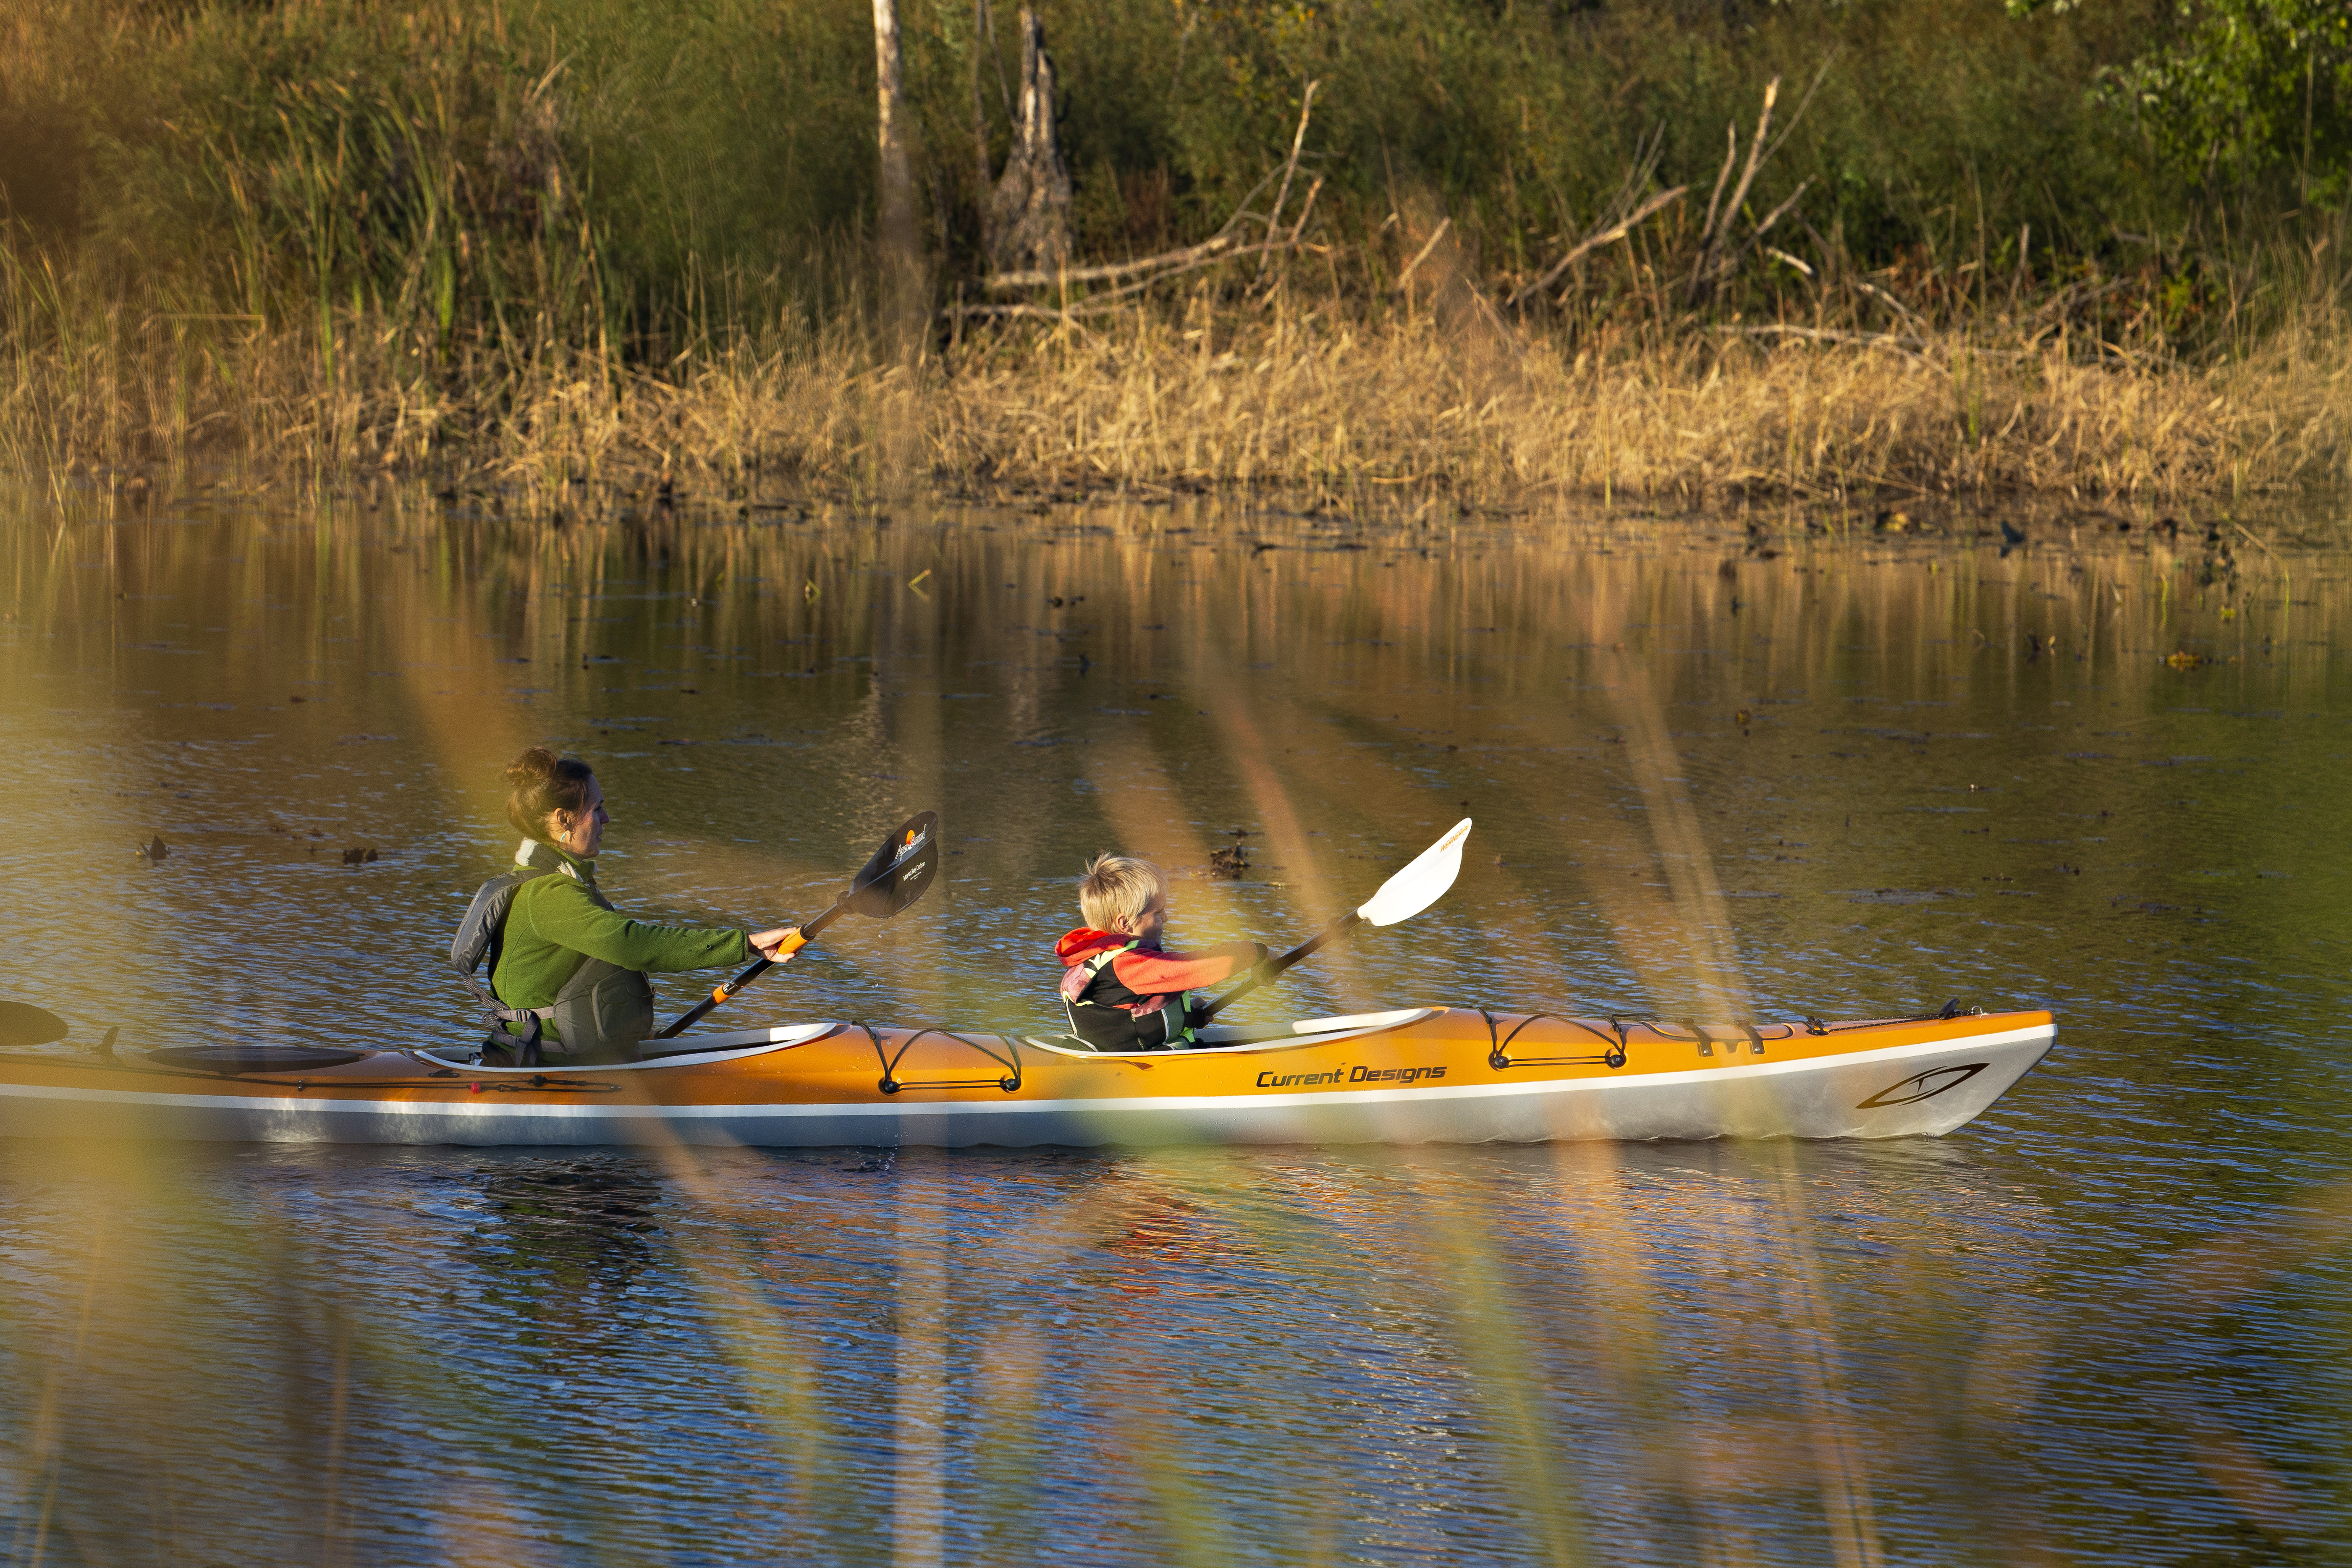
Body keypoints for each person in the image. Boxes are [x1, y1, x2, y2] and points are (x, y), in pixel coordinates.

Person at [449, 748, 799, 1063]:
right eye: (597, 809)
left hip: (567, 1052)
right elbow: (632, 945)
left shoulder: (556, 880)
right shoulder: (549, 893)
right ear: (564, 819)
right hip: (543, 1063)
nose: (606, 819)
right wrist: (745, 944)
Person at [1054, 853, 1269, 1051]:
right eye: (1158, 912)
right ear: (1126, 923)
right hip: (1142, 1069)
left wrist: (1185, 1016)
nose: (1165, 919)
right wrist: (1259, 952)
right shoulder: (1128, 964)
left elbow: (1125, 1018)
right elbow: (1217, 965)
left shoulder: (1094, 957)